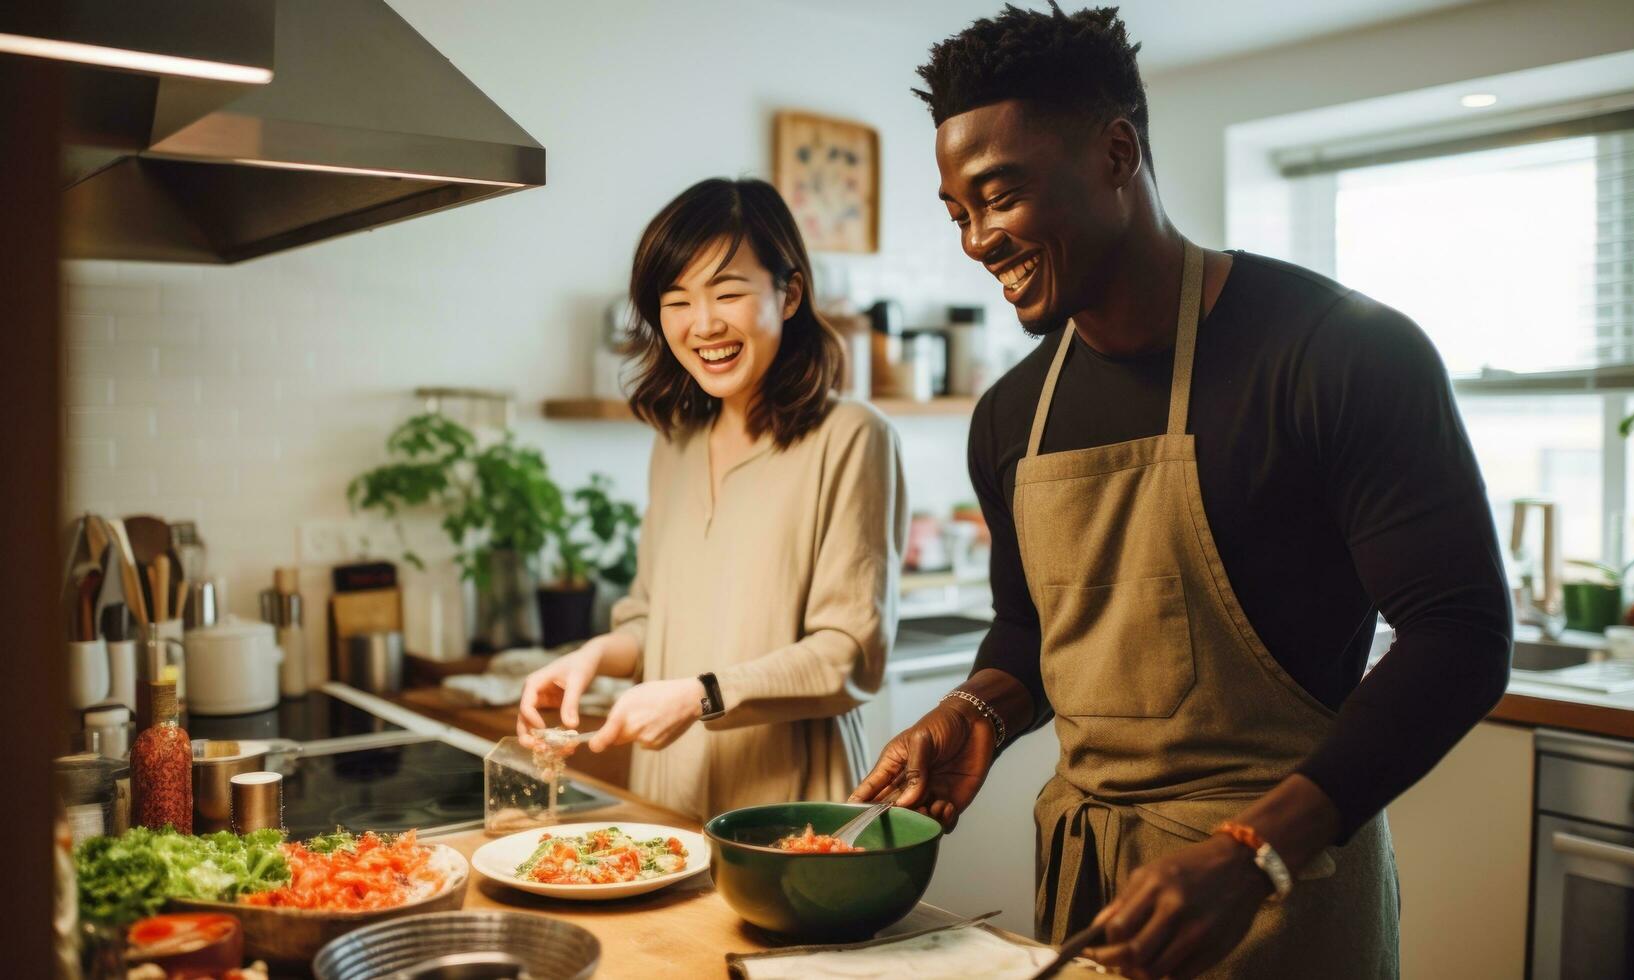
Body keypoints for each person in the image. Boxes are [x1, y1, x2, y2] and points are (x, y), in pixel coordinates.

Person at [851, 5, 1513, 978]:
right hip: (1090, 895)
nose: (978, 241)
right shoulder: (1011, 415)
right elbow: (1032, 633)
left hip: (1290, 888)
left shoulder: (1337, 353)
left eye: (1000, 195)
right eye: (959, 213)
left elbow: (1461, 633)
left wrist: (1255, 850)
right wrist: (977, 711)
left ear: (1117, 154)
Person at [521, 177, 907, 822]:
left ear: (789, 294)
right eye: (676, 301)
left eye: (728, 293)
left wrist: (701, 696)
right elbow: (651, 621)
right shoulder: (673, 444)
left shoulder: (853, 437)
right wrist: (591, 657)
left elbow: (849, 655)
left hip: (792, 808)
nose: (703, 325)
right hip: (666, 799)